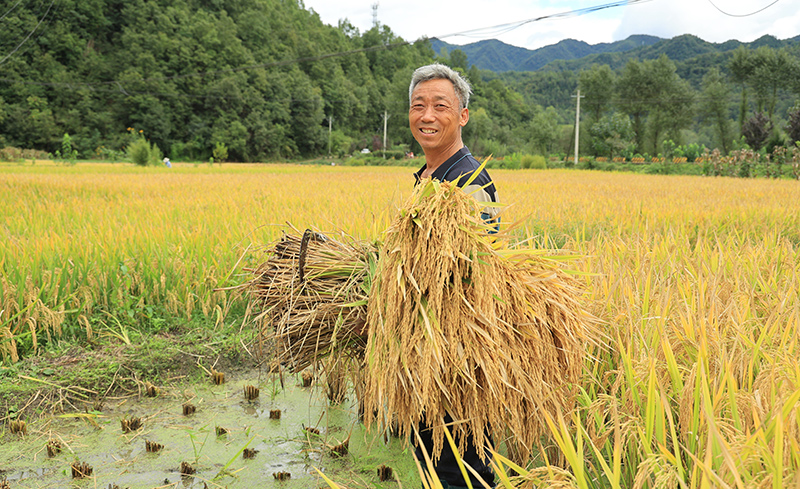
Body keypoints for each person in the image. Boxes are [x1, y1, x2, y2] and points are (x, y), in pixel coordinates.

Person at [408, 63, 498, 489]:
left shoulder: (470, 182)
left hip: (457, 363)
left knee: (462, 472)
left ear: (462, 115)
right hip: (422, 355)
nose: (427, 116)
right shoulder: (426, 178)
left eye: (440, 106)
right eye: (418, 106)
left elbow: (480, 277)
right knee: (431, 465)